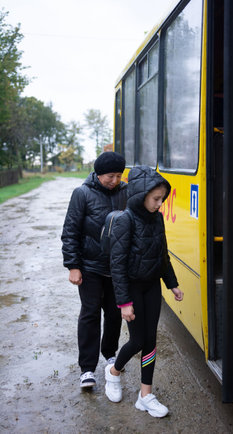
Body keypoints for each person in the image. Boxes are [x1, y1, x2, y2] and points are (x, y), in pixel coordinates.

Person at [104, 165, 184, 418]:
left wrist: (172, 283)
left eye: (162, 199)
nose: (160, 204)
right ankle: (113, 372)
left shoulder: (157, 218)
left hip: (152, 287)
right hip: (132, 289)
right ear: (141, 196)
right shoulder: (125, 221)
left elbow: (162, 255)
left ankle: (145, 395)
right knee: (138, 340)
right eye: (156, 199)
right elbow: (117, 265)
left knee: (151, 341)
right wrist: (124, 302)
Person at [61, 151, 127, 388]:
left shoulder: (125, 191)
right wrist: (73, 266)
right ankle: (87, 369)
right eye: (110, 175)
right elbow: (70, 231)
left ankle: (110, 353)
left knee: (113, 313)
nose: (115, 180)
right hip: (89, 267)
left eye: (119, 175)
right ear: (99, 173)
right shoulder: (82, 193)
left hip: (117, 268)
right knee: (89, 314)